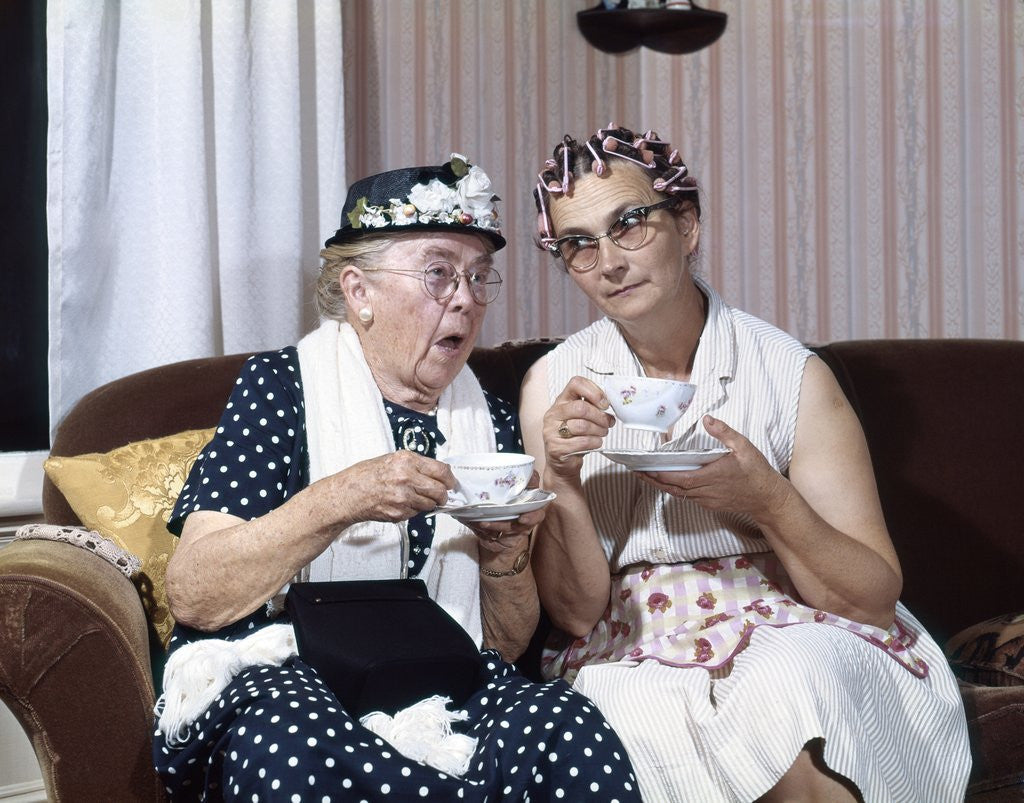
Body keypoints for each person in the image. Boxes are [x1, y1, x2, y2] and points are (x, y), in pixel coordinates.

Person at [153, 154, 641, 801]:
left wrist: (502, 552)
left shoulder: (489, 418)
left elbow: (504, 642)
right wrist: (343, 497)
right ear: (359, 293)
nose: (466, 298)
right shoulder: (281, 389)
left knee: (567, 727)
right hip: (301, 671)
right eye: (439, 273)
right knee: (293, 748)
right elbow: (195, 592)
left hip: (449, 677)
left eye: (478, 276)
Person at [519, 124, 972, 802]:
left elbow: (872, 596)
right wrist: (559, 476)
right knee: (633, 708)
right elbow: (577, 614)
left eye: (631, 223)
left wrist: (763, 496)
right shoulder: (552, 385)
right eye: (580, 245)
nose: (609, 261)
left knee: (789, 683)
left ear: (687, 224)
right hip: (630, 636)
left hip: (787, 617)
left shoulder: (792, 375)